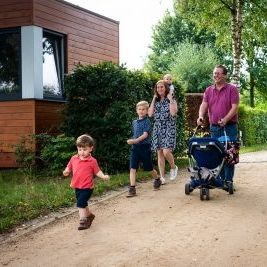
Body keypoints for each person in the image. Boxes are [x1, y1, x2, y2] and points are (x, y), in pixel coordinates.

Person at [197, 64, 240, 190]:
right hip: (215, 127)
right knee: (217, 154)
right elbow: (204, 105)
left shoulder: (232, 89)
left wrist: (226, 119)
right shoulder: (208, 90)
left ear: (225, 75)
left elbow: (234, 107)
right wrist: (200, 116)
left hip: (229, 127)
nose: (215, 75)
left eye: (218, 73)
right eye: (214, 73)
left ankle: (228, 181)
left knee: (229, 154)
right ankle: (220, 181)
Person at [63, 134, 110, 230]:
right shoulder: (74, 158)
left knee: (80, 203)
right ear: (77, 148)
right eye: (80, 149)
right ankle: (90, 215)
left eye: (84, 150)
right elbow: (69, 167)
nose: (82, 152)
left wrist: (103, 176)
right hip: (77, 186)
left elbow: (97, 171)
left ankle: (83, 220)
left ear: (90, 149)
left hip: (87, 187)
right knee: (83, 203)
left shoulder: (92, 161)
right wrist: (66, 171)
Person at [127, 101, 161, 197]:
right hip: (135, 148)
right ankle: (132, 188)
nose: (141, 111)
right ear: (136, 110)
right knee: (132, 168)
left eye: (143, 109)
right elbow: (136, 134)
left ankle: (157, 179)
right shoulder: (134, 122)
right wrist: (134, 142)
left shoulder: (147, 122)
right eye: (139, 109)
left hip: (145, 148)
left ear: (147, 111)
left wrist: (135, 141)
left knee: (149, 168)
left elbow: (145, 135)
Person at [148, 80, 179, 185]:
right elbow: (150, 114)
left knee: (166, 152)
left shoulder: (172, 99)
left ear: (166, 88)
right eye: (157, 87)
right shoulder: (155, 101)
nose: (159, 89)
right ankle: (161, 177)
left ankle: (173, 167)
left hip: (169, 127)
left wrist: (170, 100)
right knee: (159, 153)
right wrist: (153, 99)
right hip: (158, 128)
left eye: (161, 87)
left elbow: (173, 113)